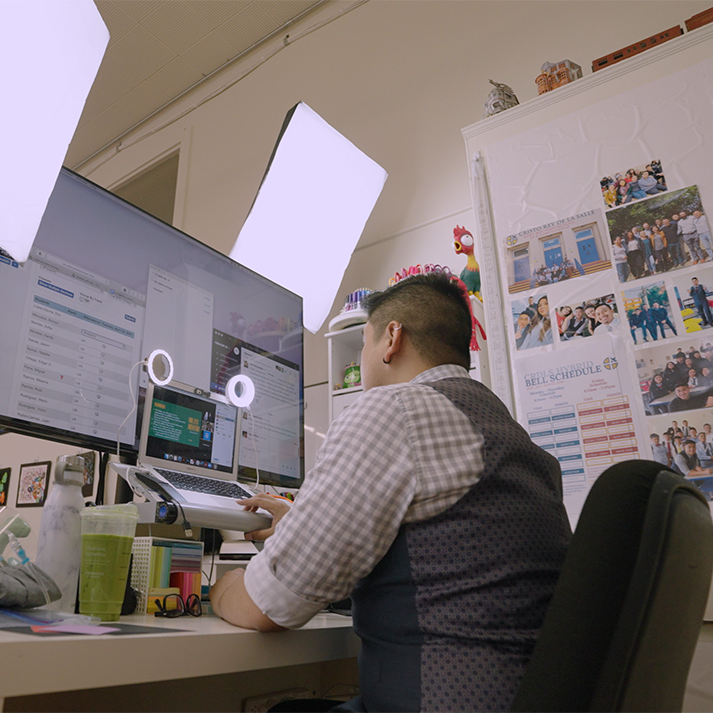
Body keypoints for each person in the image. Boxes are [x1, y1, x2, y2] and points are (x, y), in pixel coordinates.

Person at [210, 273, 572, 712]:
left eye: (364, 343)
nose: (362, 361)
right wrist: (304, 527)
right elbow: (450, 563)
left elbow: (266, 607)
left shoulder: (394, 408)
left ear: (392, 338)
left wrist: (224, 585)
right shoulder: (516, 440)